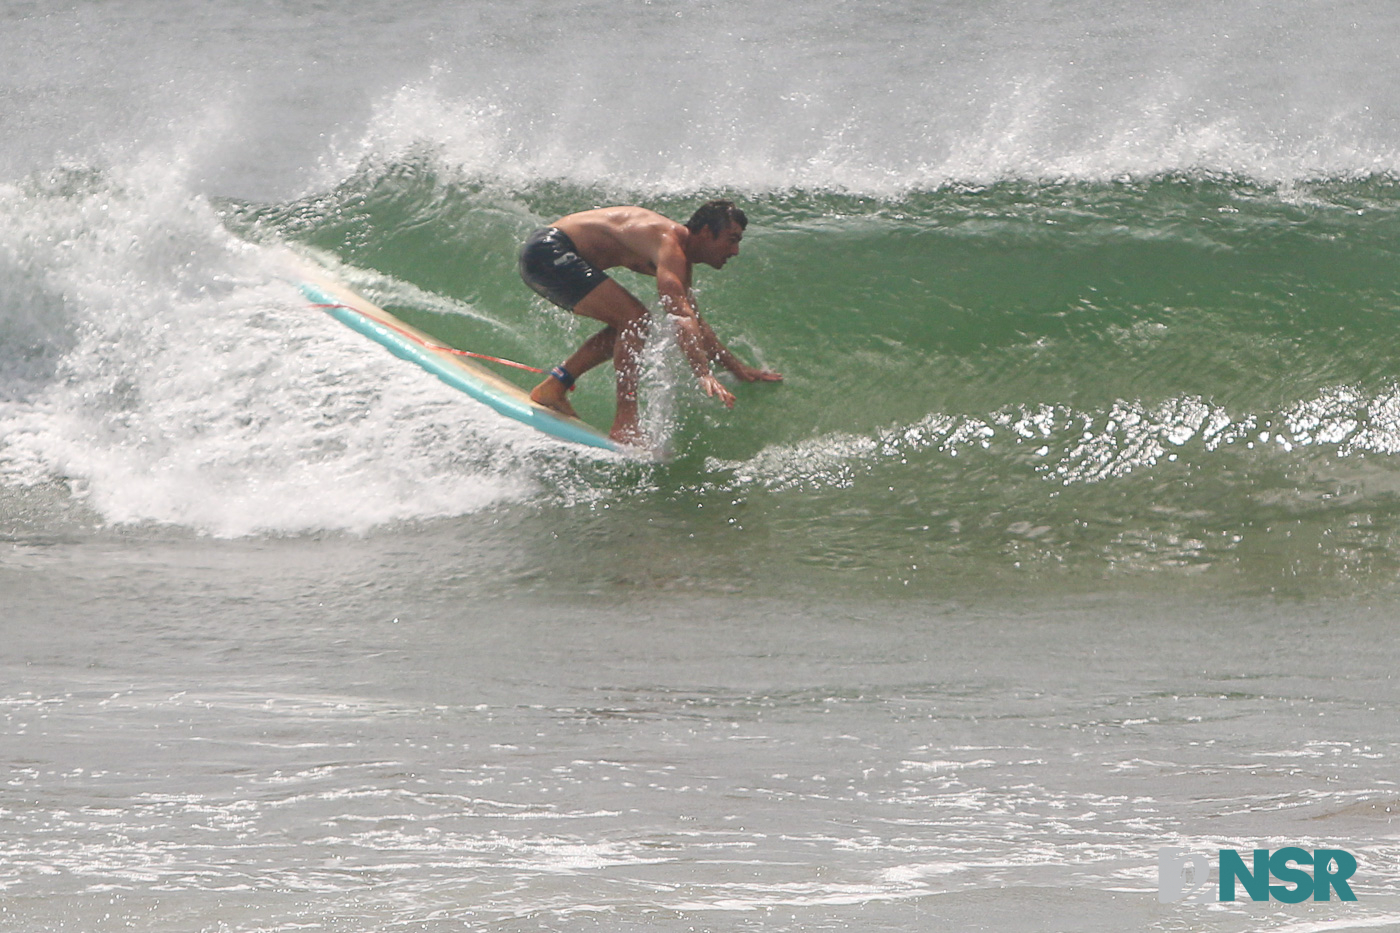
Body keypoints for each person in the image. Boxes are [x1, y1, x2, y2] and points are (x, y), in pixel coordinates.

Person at [518, 199, 782, 447]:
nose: (735, 251)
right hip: (549, 250)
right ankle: (625, 423)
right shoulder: (670, 243)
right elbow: (680, 315)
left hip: (546, 255)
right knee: (635, 319)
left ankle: (555, 387)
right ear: (705, 232)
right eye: (731, 240)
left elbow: (694, 321)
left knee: (628, 323)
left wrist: (737, 368)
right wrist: (702, 372)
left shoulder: (678, 258)